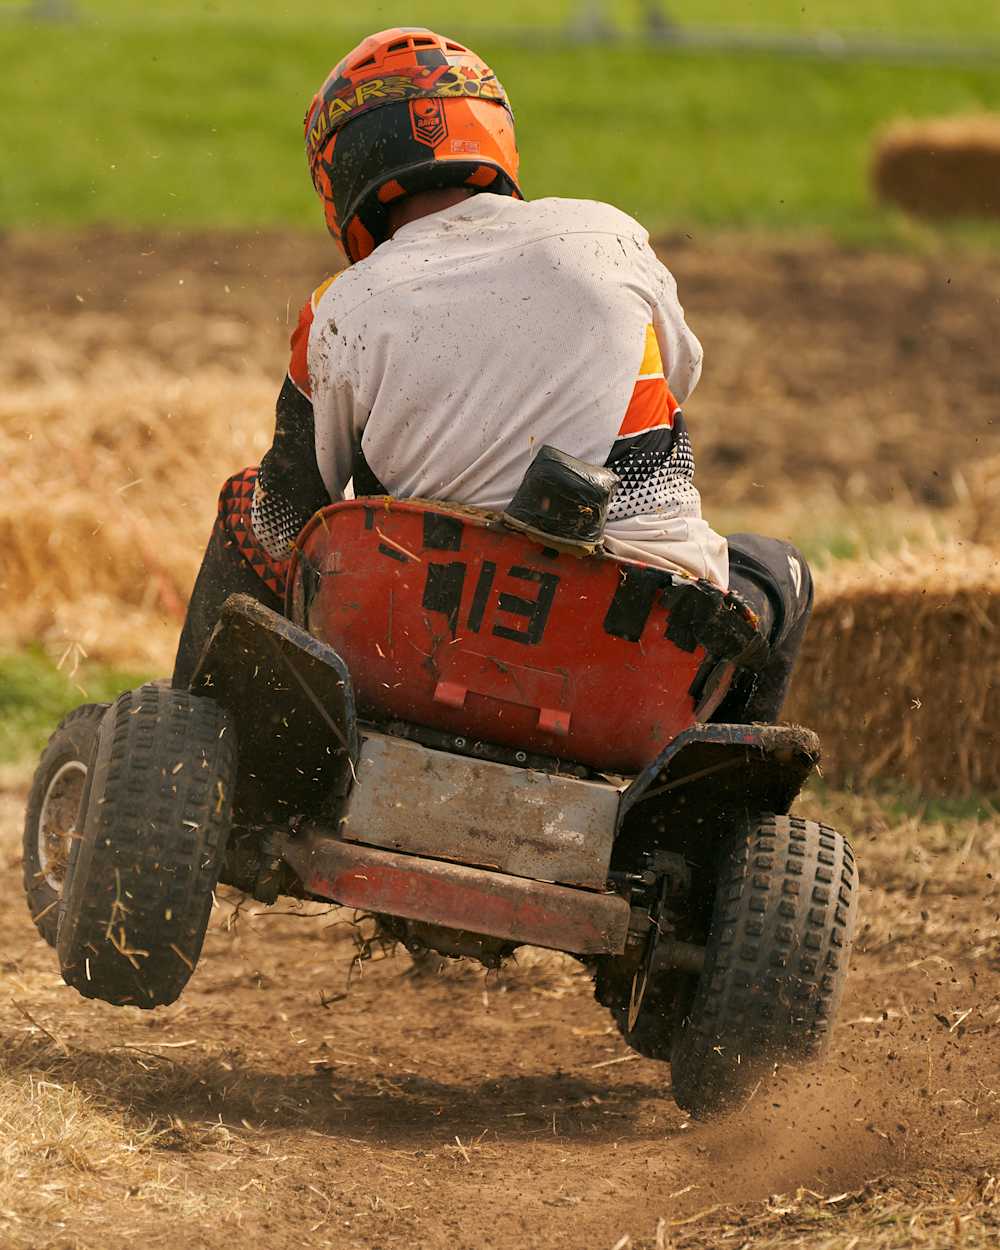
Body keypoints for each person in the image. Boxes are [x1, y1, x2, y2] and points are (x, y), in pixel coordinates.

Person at [172, 27, 811, 723]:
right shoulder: (608, 235)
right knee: (778, 570)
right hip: (632, 654)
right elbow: (681, 377)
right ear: (492, 133)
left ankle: (196, 740)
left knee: (247, 508)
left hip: (418, 648)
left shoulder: (339, 309)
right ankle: (706, 779)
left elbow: (285, 520)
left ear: (341, 172)